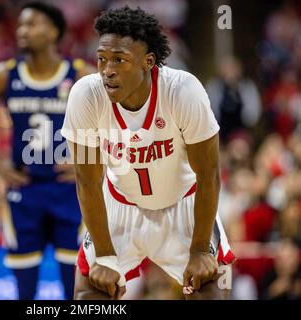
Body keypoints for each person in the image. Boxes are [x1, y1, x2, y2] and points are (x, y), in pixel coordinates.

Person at [61, 6, 236, 300]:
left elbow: (209, 175)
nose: (107, 70)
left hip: (184, 206)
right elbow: (88, 181)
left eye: (120, 60)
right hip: (119, 208)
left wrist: (199, 250)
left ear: (148, 62)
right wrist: (104, 255)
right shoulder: (86, 95)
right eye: (102, 59)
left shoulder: (183, 92)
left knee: (213, 291)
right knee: (87, 295)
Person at [0, 1, 95, 300]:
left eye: (32, 24)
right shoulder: (5, 75)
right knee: (24, 289)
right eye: (20, 25)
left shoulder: (80, 74)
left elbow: (117, 117)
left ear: (54, 32)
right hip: (24, 192)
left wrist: (93, 159)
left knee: (76, 288)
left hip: (69, 191)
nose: (22, 31)